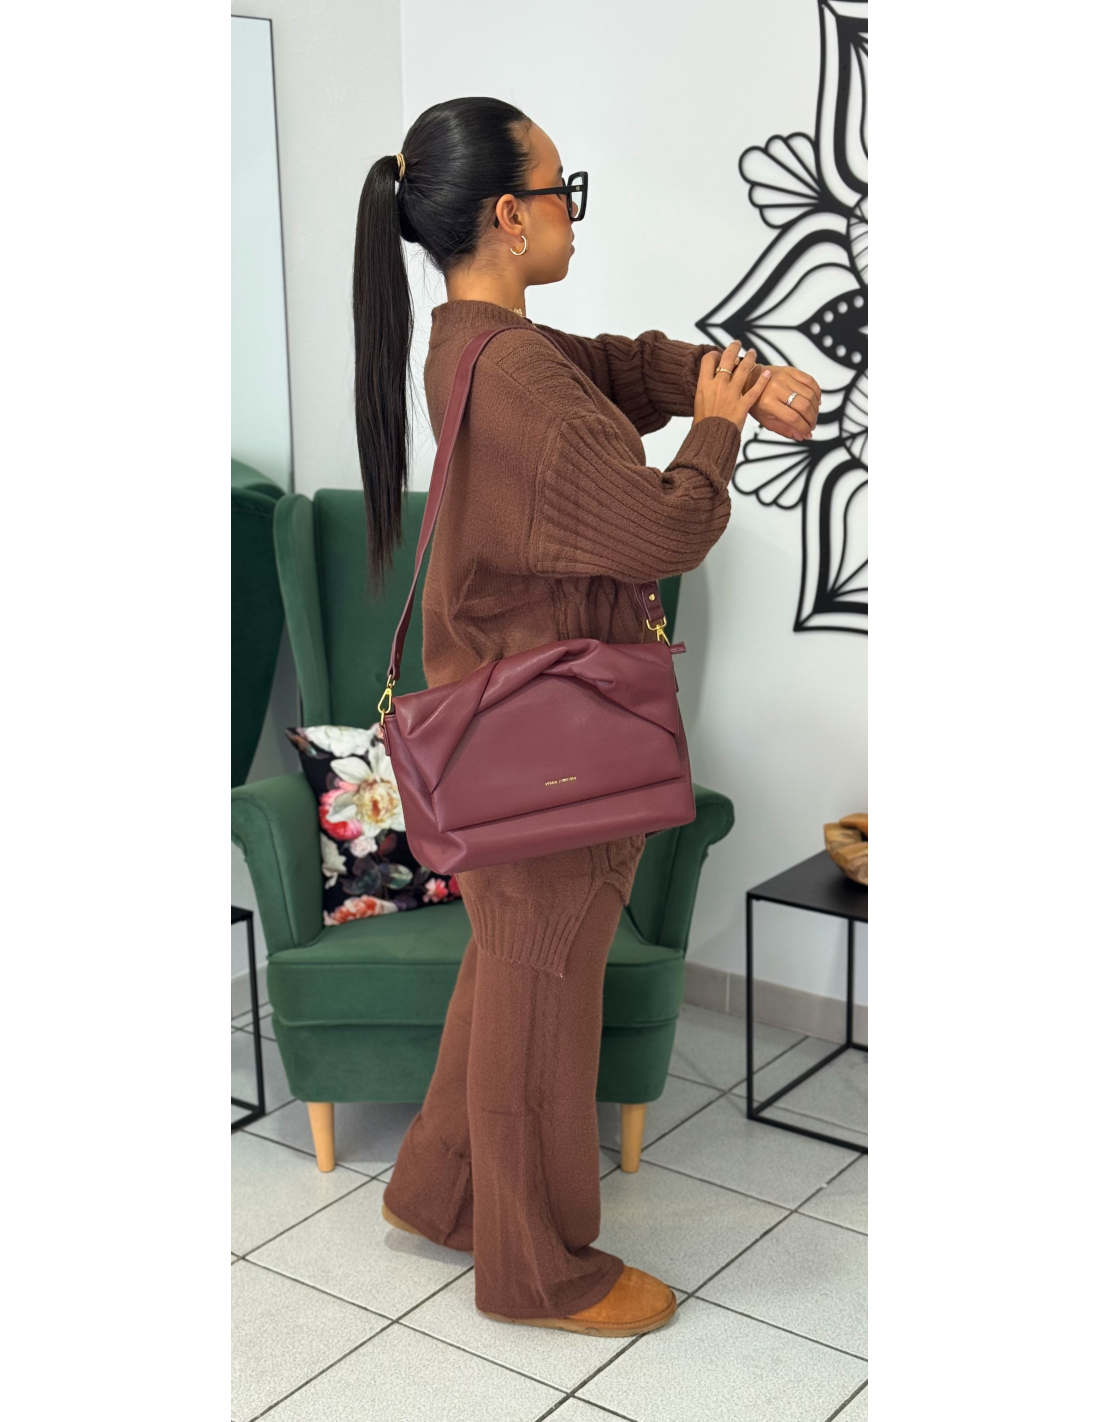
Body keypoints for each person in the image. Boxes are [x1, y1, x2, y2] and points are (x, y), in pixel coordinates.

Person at [350, 97, 820, 1337]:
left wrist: (731, 378)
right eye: (563, 189)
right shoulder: (512, 376)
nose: (572, 211)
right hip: (550, 742)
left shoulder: (477, 344)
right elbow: (665, 528)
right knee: (537, 1006)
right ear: (509, 215)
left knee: (507, 979)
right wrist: (716, 429)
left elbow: (612, 366)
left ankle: (436, 1193)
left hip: (510, 728)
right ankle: (534, 1271)